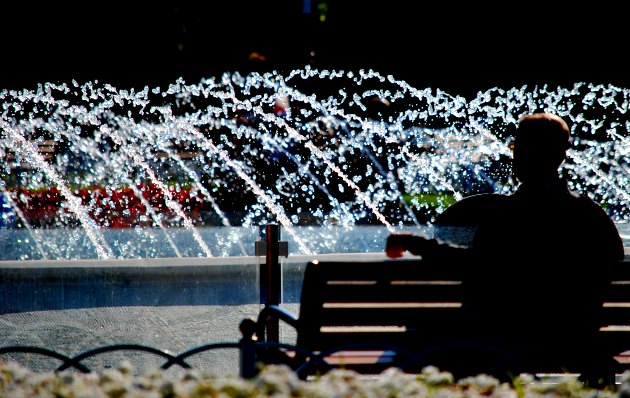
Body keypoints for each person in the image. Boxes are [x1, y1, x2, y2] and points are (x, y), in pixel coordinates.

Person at [386, 112, 625, 384]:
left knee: (417, 342)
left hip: (502, 338)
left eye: (518, 147)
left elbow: (473, 264)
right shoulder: (590, 215)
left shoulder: (509, 215)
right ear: (561, 155)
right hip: (574, 341)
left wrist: (415, 243)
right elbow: (612, 259)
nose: (515, 154)